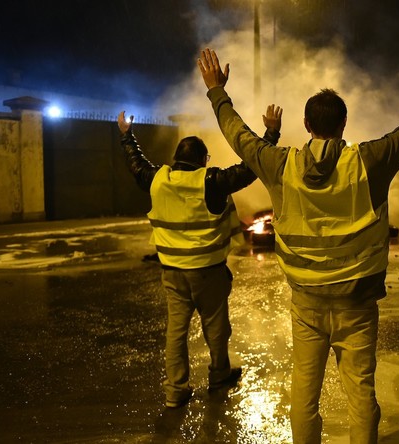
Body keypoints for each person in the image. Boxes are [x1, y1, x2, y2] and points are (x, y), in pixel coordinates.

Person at [196, 34, 399, 444]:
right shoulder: (369, 161)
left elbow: (239, 135)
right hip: (357, 303)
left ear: (306, 125)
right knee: (360, 395)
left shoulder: (279, 163)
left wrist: (217, 91)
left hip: (307, 303)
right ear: (343, 124)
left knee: (304, 394)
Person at [115, 107, 282, 408]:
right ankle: (219, 376)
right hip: (208, 273)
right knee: (216, 329)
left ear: (178, 158)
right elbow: (251, 168)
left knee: (175, 334)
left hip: (173, 273)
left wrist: (127, 135)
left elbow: (135, 164)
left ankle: (175, 391)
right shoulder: (212, 181)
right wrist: (270, 134)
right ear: (203, 160)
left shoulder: (157, 179)